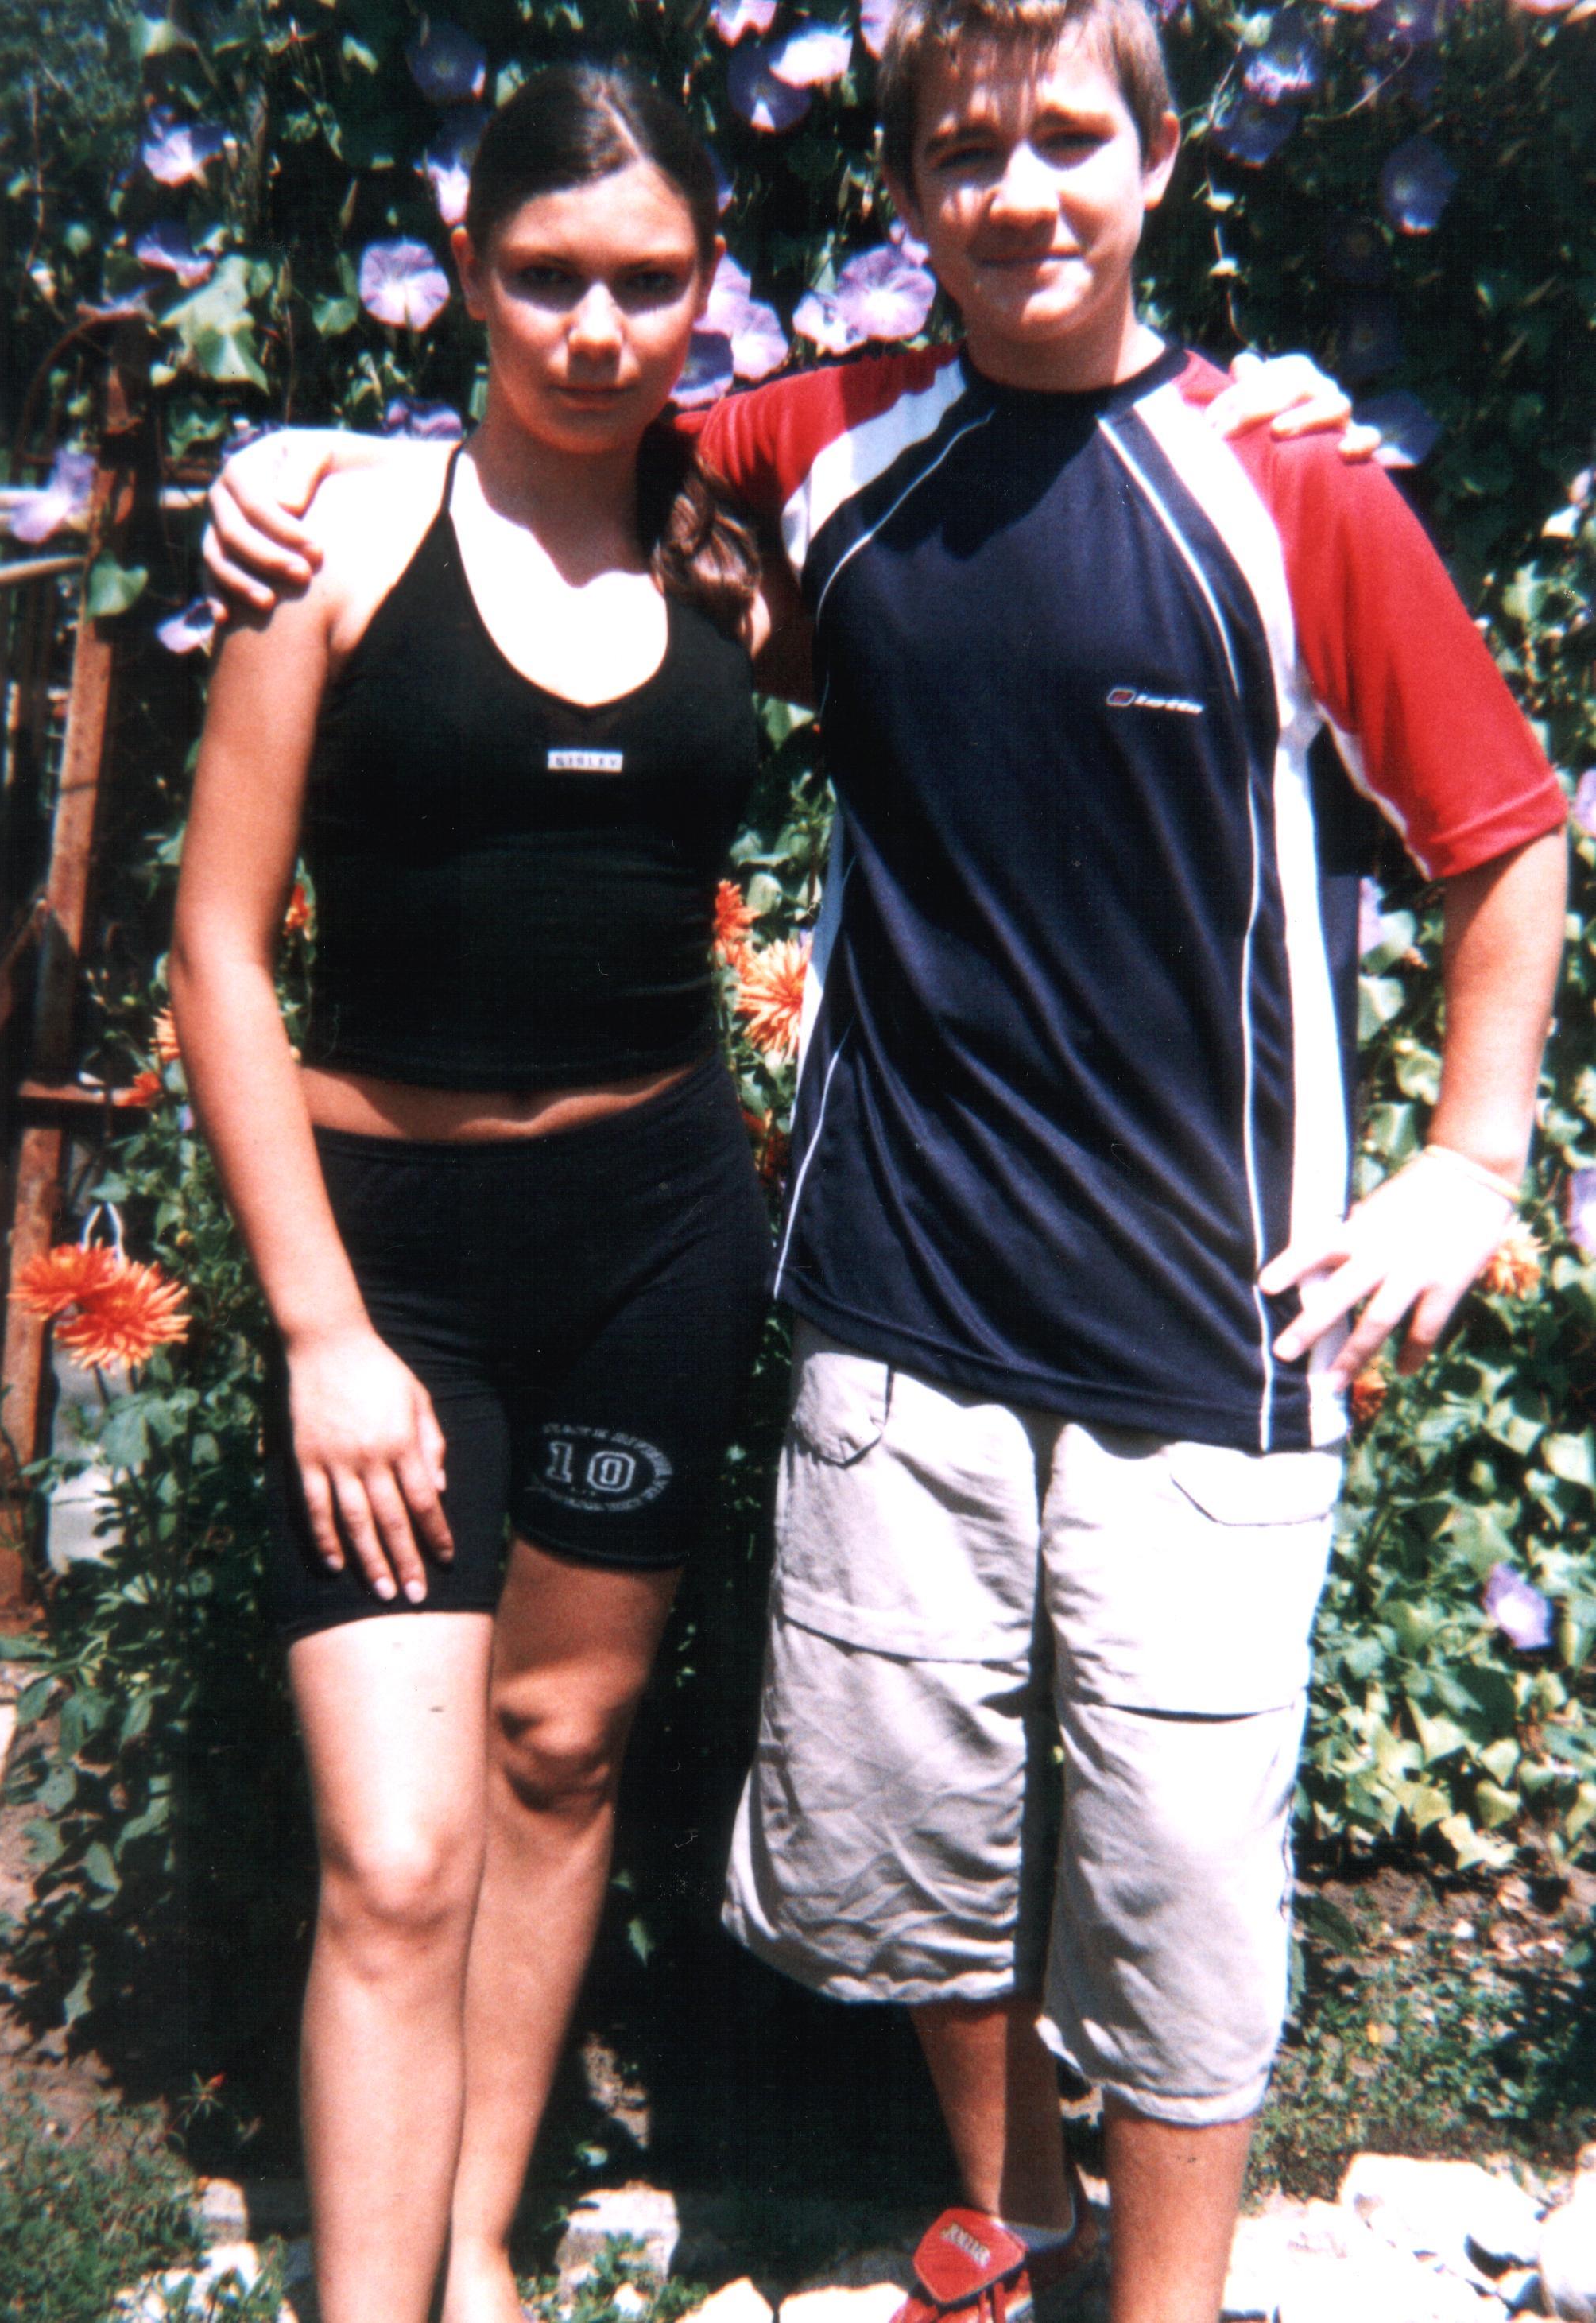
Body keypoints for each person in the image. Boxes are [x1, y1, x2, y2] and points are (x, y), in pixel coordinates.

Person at [192, 10, 1545, 2320]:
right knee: (901, 1826)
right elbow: (548, 439)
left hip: (1178, 1312)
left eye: (1071, 140)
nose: (1021, 193)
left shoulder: (1276, 485)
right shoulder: (821, 447)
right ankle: (1006, 2220)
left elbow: (1501, 835)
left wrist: (1472, 1155)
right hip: (884, 1291)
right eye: (968, 151)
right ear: (903, 195)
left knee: (1157, 1870)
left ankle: (1132, 2299)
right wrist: (298, 449)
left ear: (1161, 157)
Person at [169, 65, 778, 2323]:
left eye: (647, 280)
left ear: (707, 287)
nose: (597, 328)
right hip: (391, 1261)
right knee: (401, 1847)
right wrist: (322, 1329)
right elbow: (217, 949)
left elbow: (1000, 406)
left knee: (560, 1748)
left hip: (654, 1235)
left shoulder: (737, 544)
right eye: (545, 277)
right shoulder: (327, 542)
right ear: (468, 268)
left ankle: (474, 2246)